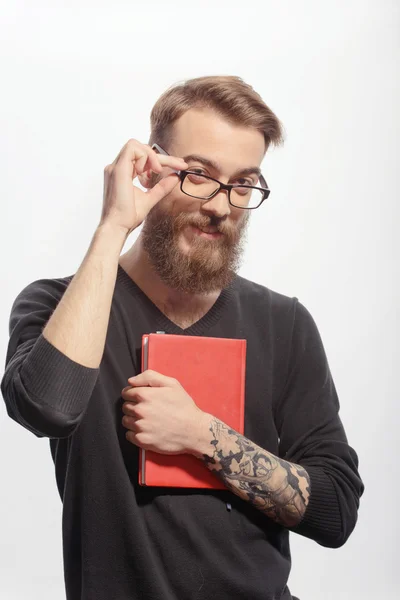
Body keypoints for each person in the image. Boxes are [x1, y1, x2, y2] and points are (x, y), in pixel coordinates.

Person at [1, 75, 364, 600]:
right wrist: (112, 228)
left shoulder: (284, 324)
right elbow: (46, 409)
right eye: (198, 175)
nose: (221, 205)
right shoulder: (60, 306)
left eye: (244, 183)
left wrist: (203, 437)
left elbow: (336, 512)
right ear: (153, 170)